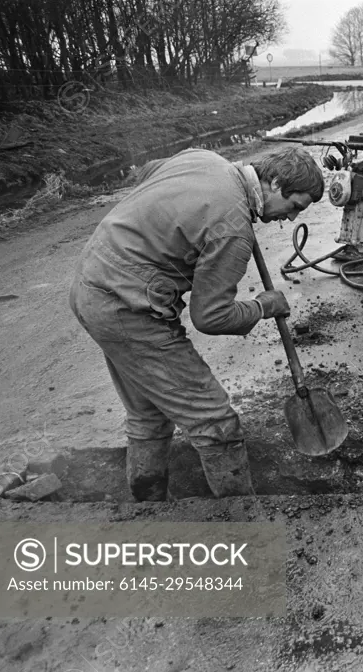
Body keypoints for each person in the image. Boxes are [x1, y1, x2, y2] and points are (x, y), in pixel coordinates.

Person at [69, 146, 325, 501]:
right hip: (128, 310)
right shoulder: (233, 229)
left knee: (149, 412)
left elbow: (148, 172)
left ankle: (148, 506)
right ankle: (243, 522)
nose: (289, 218)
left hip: (92, 284)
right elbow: (211, 316)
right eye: (294, 207)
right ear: (276, 182)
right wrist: (263, 306)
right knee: (216, 423)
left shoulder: (204, 159)